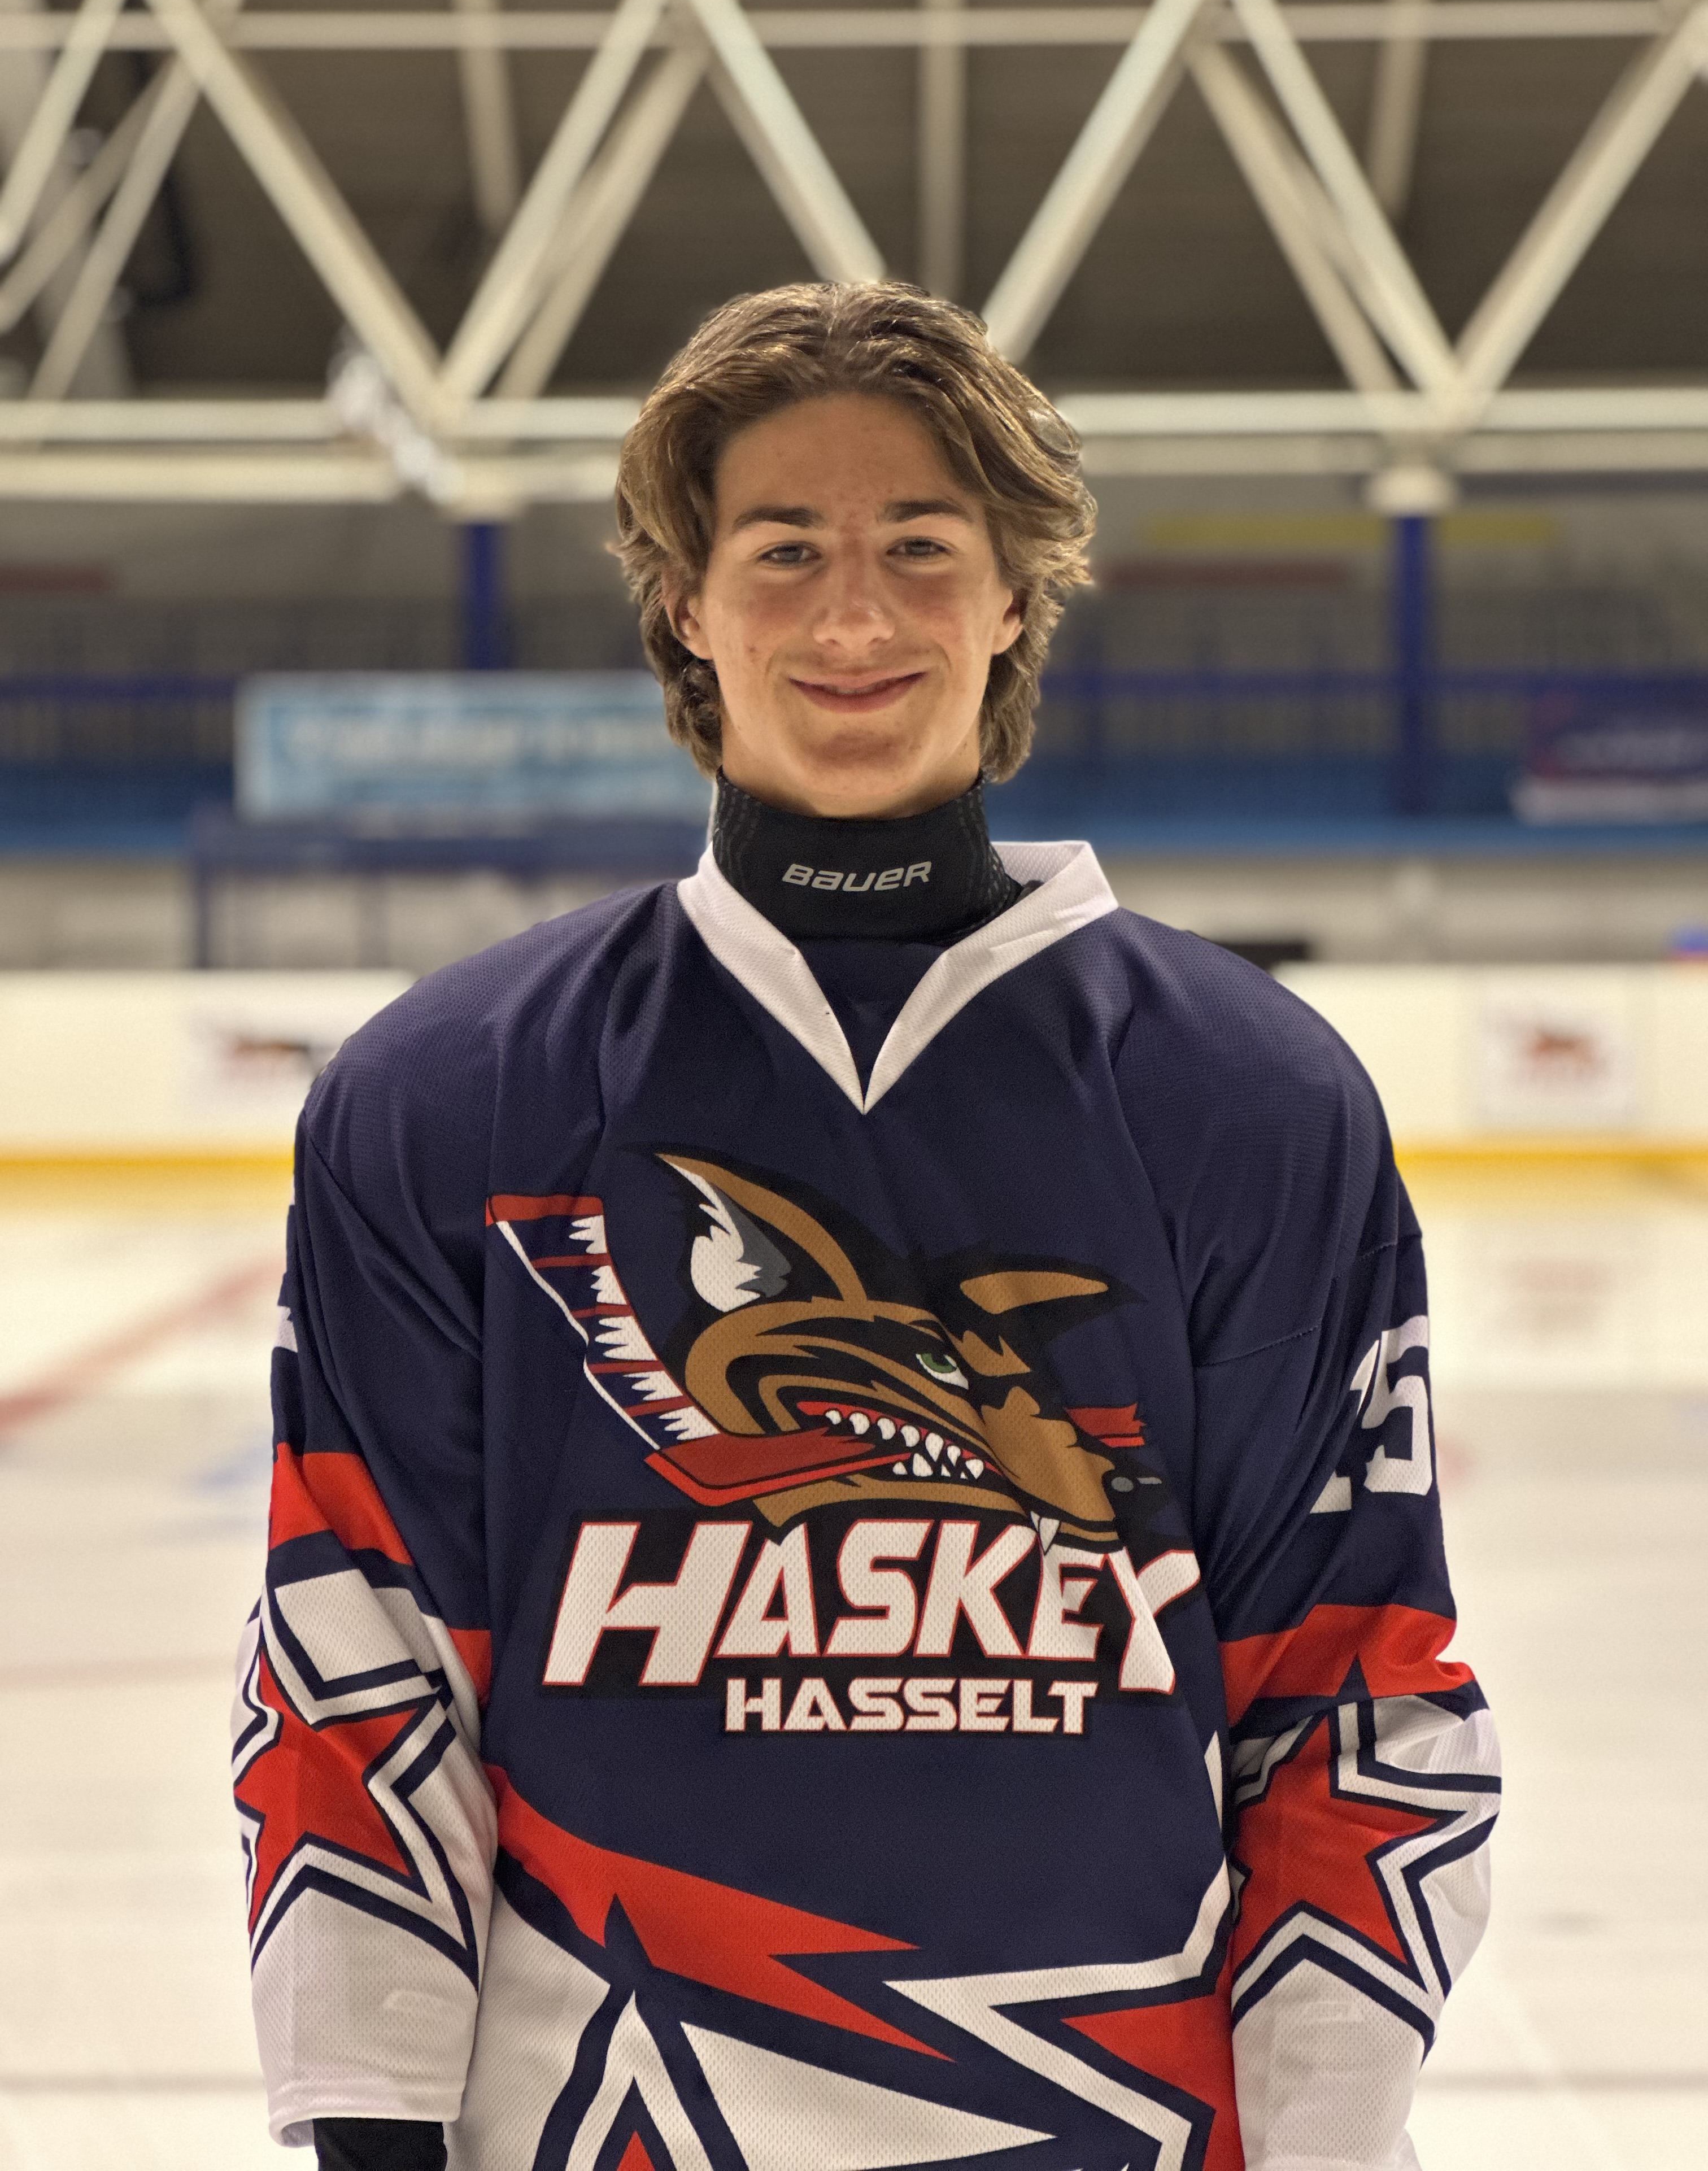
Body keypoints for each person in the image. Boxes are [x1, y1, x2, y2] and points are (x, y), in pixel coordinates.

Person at [234, 282, 1498, 2171]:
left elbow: (1350, 1683)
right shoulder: (449, 1095)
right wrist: (374, 2135)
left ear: (1014, 599)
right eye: (784, 550)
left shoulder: (1246, 1098)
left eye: (920, 546)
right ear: (686, 600)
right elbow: (360, 1659)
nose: (852, 618)